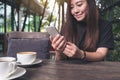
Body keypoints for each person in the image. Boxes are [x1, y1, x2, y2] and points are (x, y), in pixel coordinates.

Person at [50, 0, 114, 61]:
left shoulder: (104, 25)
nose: (75, 11)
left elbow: (101, 54)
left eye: (79, 5)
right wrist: (58, 50)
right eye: (71, 7)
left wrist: (81, 54)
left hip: (94, 69)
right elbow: (60, 59)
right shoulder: (67, 26)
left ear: (90, 4)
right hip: (68, 69)